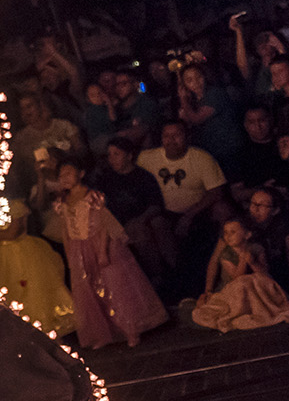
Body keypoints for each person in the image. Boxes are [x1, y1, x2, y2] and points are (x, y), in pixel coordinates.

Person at [51, 159, 168, 349]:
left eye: (69, 173)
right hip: (78, 248)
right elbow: (65, 230)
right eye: (61, 175)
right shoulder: (61, 201)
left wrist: (102, 251)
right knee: (89, 289)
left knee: (115, 287)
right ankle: (101, 334)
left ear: (81, 174)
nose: (64, 178)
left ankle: (131, 330)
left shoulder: (93, 196)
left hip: (98, 242)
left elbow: (103, 224)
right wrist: (69, 255)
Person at [138, 121, 227, 289]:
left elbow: (216, 191)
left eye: (176, 135)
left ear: (187, 136)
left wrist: (189, 216)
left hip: (197, 210)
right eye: (167, 136)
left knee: (223, 210)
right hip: (164, 212)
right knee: (155, 224)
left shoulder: (201, 158)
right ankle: (175, 273)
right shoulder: (147, 159)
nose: (171, 140)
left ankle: (224, 264)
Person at [0, 198, 77, 339]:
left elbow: (12, 233)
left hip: (17, 254)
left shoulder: (14, 205)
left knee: (29, 293)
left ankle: (38, 334)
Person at [189, 219, 289, 332]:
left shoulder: (256, 248)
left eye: (233, 232)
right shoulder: (227, 254)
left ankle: (265, 309)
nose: (228, 236)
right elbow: (236, 278)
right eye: (226, 233)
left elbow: (264, 272)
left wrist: (253, 262)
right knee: (243, 282)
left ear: (247, 234)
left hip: (256, 287)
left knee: (259, 280)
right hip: (236, 290)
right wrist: (244, 260)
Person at [93, 135, 173, 276]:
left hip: (141, 219)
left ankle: (173, 267)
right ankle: (156, 275)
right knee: (139, 233)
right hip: (117, 223)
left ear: (129, 156)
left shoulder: (143, 177)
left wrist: (141, 219)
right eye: (109, 155)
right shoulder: (105, 179)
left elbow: (155, 205)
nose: (111, 159)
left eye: (116, 154)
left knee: (158, 224)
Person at [10, 91, 85, 192]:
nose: (26, 112)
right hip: (44, 189)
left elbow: (81, 151)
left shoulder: (63, 126)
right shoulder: (21, 138)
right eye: (22, 108)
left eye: (29, 106)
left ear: (40, 105)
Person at [174, 61, 243, 170]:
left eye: (198, 77)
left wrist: (183, 99)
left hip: (228, 150)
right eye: (189, 80)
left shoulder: (215, 94)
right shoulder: (193, 101)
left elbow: (196, 119)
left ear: (204, 76)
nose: (196, 82)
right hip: (210, 153)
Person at [228, 105, 289, 207]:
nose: (258, 126)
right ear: (246, 125)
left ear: (270, 120)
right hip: (259, 203)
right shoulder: (239, 154)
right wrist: (262, 190)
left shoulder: (284, 143)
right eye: (252, 122)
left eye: (262, 120)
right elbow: (237, 194)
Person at [239, 185, 289, 292]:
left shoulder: (284, 227)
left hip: (277, 277)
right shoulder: (241, 225)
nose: (255, 209)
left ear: (275, 210)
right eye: (253, 203)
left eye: (261, 205)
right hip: (249, 279)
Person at [230, 18, 289, 100]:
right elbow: (242, 66)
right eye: (259, 41)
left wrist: (280, 48)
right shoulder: (256, 67)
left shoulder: (284, 61)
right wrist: (238, 32)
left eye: (266, 39)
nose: (262, 43)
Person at [109, 71, 161, 152]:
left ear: (135, 84)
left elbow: (145, 128)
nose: (119, 87)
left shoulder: (146, 103)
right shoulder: (116, 109)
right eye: (116, 84)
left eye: (123, 83)